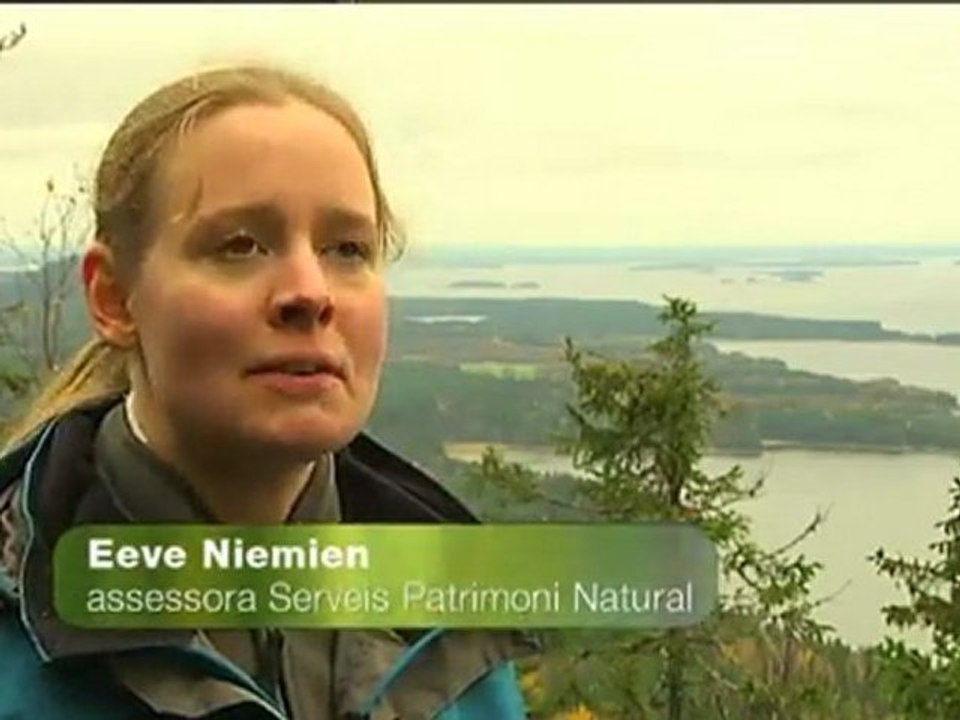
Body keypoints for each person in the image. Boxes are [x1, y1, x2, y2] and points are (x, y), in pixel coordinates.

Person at [0, 64, 537, 719]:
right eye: (241, 245)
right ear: (113, 297)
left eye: (347, 248)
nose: (310, 291)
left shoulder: (449, 632)